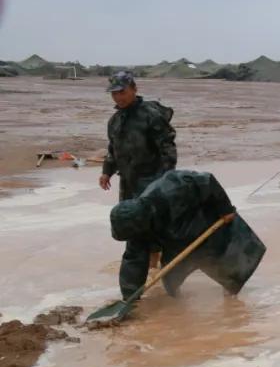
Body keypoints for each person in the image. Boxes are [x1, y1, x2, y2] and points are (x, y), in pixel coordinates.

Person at [109, 170, 265, 298]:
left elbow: (207, 181)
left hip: (205, 227)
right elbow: (133, 263)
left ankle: (231, 300)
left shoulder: (172, 187)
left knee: (232, 277)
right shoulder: (137, 230)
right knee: (171, 284)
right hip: (176, 244)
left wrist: (225, 208)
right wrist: (129, 298)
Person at [98, 70, 177, 279]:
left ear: (134, 89)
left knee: (155, 225)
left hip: (152, 180)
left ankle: (157, 267)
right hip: (128, 182)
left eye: (122, 92)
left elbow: (167, 147)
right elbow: (113, 150)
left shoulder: (150, 115)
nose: (118, 97)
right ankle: (143, 269)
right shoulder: (114, 121)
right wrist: (106, 172)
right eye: (114, 93)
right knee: (132, 225)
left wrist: (167, 178)